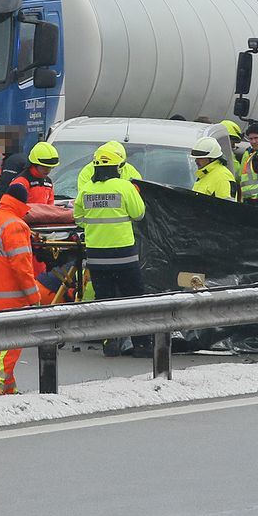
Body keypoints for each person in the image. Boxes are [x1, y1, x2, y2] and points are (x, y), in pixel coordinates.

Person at [74, 143, 149, 358]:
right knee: (134, 299)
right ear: (117, 167)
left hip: (97, 256)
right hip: (124, 254)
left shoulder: (87, 189)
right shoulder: (124, 186)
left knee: (104, 299)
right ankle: (141, 345)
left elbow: (78, 219)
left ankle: (109, 343)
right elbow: (139, 214)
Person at [0, 182, 41, 397]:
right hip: (11, 296)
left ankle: (8, 388)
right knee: (11, 344)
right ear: (22, 202)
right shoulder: (16, 225)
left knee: (7, 342)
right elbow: (22, 266)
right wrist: (34, 296)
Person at [76, 140, 142, 193]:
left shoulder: (131, 172)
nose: (117, 168)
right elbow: (82, 200)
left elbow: (138, 197)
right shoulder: (87, 172)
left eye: (120, 165)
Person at [190, 137, 236, 201]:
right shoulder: (205, 174)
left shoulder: (222, 177)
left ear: (212, 158)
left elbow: (227, 208)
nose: (196, 161)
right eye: (196, 158)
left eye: (200, 158)